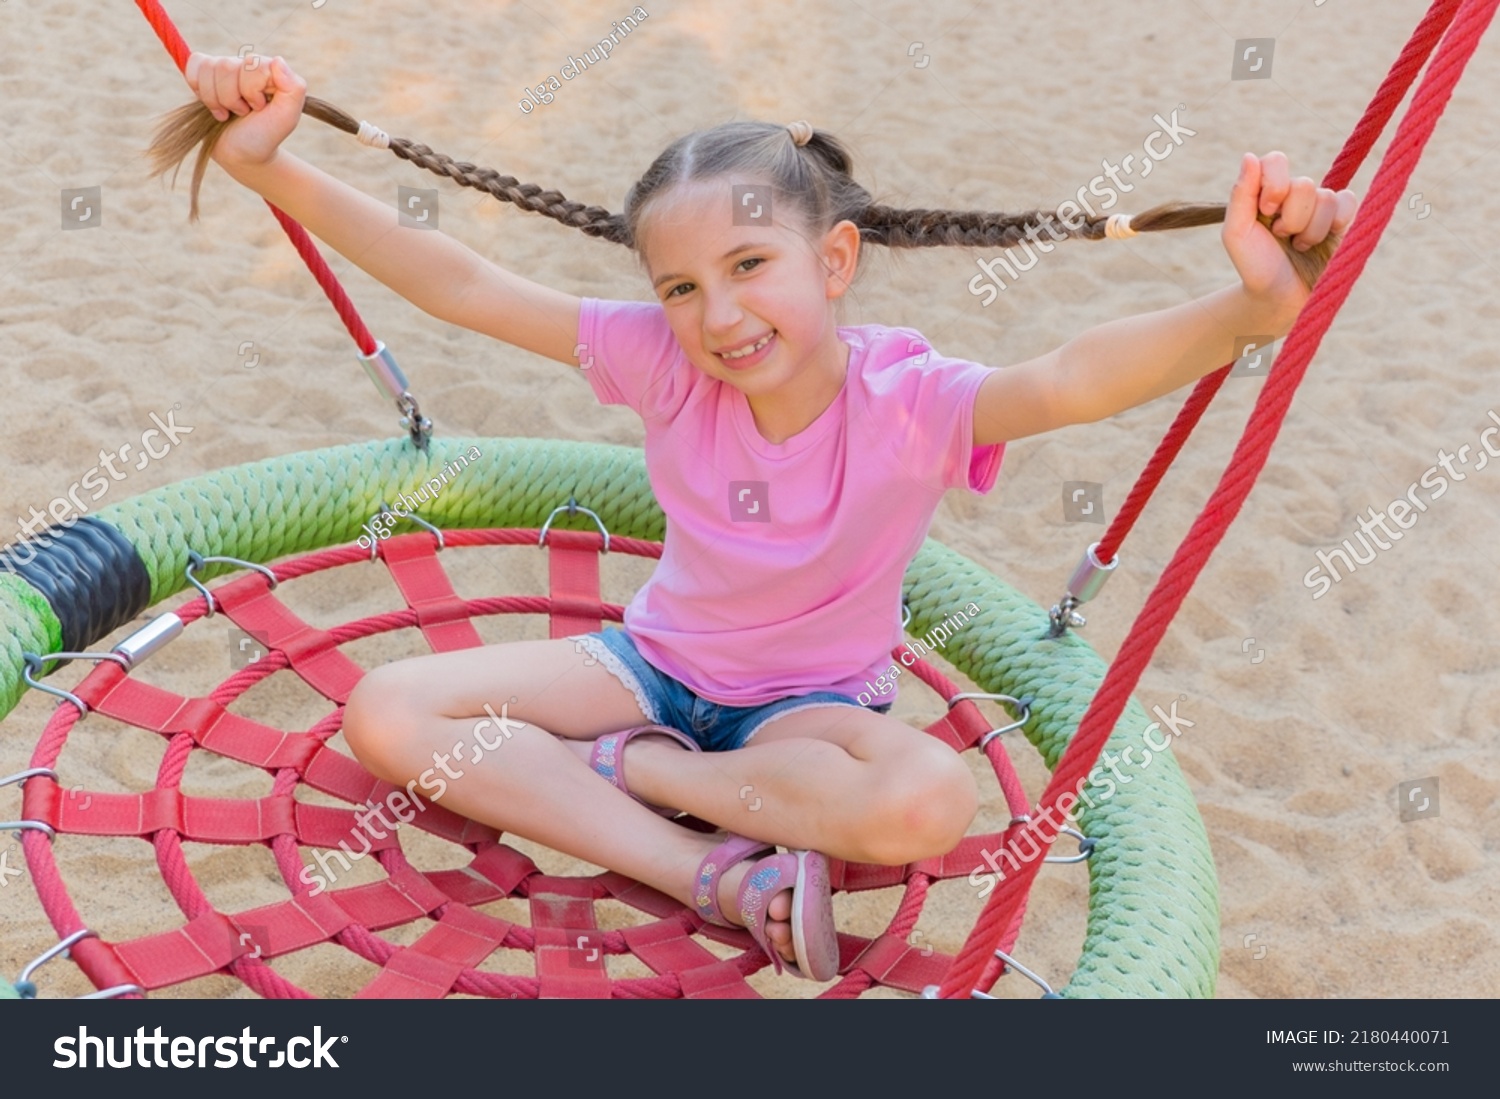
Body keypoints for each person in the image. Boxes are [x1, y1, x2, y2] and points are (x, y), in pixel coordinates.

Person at [175, 52, 1358, 982]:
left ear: (834, 259)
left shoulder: (907, 400)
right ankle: (698, 865)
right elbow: (466, 282)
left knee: (928, 802)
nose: (720, 313)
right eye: (682, 287)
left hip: (811, 716)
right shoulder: (663, 363)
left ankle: (636, 776)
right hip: (650, 668)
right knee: (388, 708)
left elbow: (1067, 376)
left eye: (751, 265)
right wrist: (271, 166)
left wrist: (1248, 311)